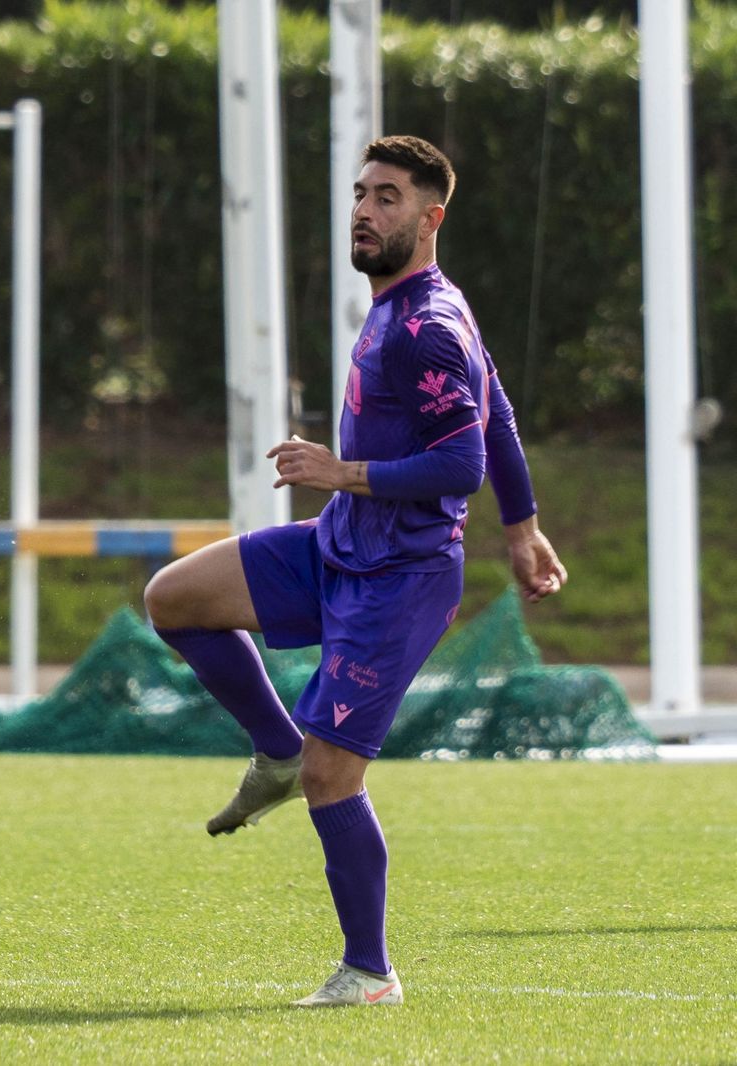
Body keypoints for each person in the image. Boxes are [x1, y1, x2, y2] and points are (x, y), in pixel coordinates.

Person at [143, 136, 567, 1007]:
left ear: (430, 216)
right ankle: (275, 749)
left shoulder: (428, 323)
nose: (366, 212)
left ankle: (369, 973)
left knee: (338, 775)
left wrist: (339, 471)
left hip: (403, 575)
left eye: (388, 198)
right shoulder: (400, 306)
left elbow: (461, 463)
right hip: (342, 541)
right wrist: (523, 531)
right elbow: (498, 414)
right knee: (175, 598)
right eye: (361, 195)